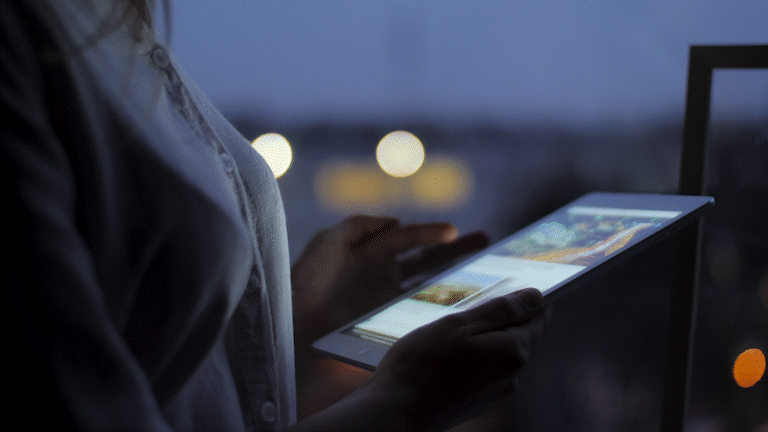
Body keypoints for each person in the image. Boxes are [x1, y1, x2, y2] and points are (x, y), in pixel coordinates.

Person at [1, 0, 550, 430]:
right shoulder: (27, 38)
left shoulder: (122, 34)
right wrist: (406, 404)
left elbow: (172, 370)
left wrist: (297, 318)